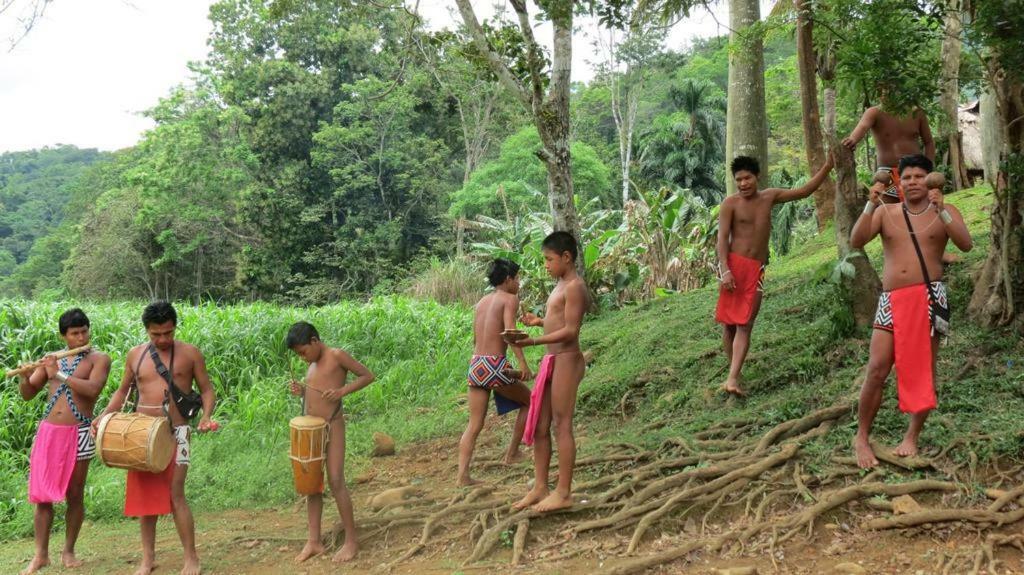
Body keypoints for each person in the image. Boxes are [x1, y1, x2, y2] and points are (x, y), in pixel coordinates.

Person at [850, 154, 972, 468]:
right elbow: (856, 240)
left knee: (925, 370)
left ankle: (911, 437)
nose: (913, 181)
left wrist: (942, 209)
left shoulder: (944, 211)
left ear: (930, 179)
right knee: (877, 368)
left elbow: (966, 244)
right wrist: (870, 204)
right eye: (907, 177)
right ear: (899, 183)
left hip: (931, 297)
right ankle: (862, 436)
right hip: (892, 301)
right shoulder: (885, 212)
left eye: (919, 176)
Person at [93, 301, 216, 575]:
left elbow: (207, 390)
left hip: (178, 432)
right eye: (155, 334)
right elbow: (122, 391)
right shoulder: (135, 355)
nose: (162, 339)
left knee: (176, 495)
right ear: (147, 330)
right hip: (140, 435)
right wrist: (103, 416)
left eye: (168, 333)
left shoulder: (190, 354)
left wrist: (206, 417)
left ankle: (191, 559)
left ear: (175, 328)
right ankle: (147, 560)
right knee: (145, 499)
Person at [716, 154, 835, 396]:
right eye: (738, 179)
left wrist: (828, 166)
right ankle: (733, 374)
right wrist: (724, 270)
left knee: (746, 323)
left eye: (747, 178)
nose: (743, 184)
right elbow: (721, 240)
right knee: (729, 326)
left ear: (757, 176)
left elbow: (804, 191)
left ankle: (732, 378)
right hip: (733, 267)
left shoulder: (770, 196)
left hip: (755, 269)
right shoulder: (730, 204)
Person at [18, 309, 111, 575]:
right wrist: (26, 375)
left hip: (80, 431)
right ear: (64, 336)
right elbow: (28, 394)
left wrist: (57, 374)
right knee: (42, 497)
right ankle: (40, 556)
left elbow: (93, 389)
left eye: (84, 331)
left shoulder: (99, 359)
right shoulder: (52, 360)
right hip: (49, 433)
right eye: (74, 333)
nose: (81, 337)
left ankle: (68, 551)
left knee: (75, 494)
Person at [507, 231, 587, 513]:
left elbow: (571, 330)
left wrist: (532, 342)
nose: (546, 265)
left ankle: (563, 492)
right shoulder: (561, 284)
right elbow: (558, 322)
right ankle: (540, 486)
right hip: (552, 360)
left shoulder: (575, 286)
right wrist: (539, 321)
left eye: (549, 259)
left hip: (566, 359)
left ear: (566, 257)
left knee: (561, 425)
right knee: (540, 426)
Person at [286, 321, 375, 564]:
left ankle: (351, 541)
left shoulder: (336, 356)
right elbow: (314, 393)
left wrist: (342, 392)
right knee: (311, 484)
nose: (302, 358)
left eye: (303, 351)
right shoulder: (312, 364)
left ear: (314, 340)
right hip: (311, 429)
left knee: (336, 480)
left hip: (332, 426)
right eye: (298, 354)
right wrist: (301, 392)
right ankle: (313, 541)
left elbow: (368, 376)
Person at [458, 258, 534, 486]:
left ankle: (462, 477)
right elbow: (510, 333)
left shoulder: (481, 301)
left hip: (477, 364)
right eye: (517, 278)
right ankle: (512, 454)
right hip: (494, 364)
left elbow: (477, 337)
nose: (519, 282)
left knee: (474, 424)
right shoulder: (510, 298)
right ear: (508, 279)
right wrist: (523, 365)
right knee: (529, 402)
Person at [842, 102, 935, 199]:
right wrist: (852, 140)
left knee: (921, 209)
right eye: (884, 88)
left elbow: (929, 142)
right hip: (886, 174)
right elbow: (861, 128)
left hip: (916, 171)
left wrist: (928, 168)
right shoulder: (874, 112)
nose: (888, 92)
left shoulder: (917, 112)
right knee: (888, 211)